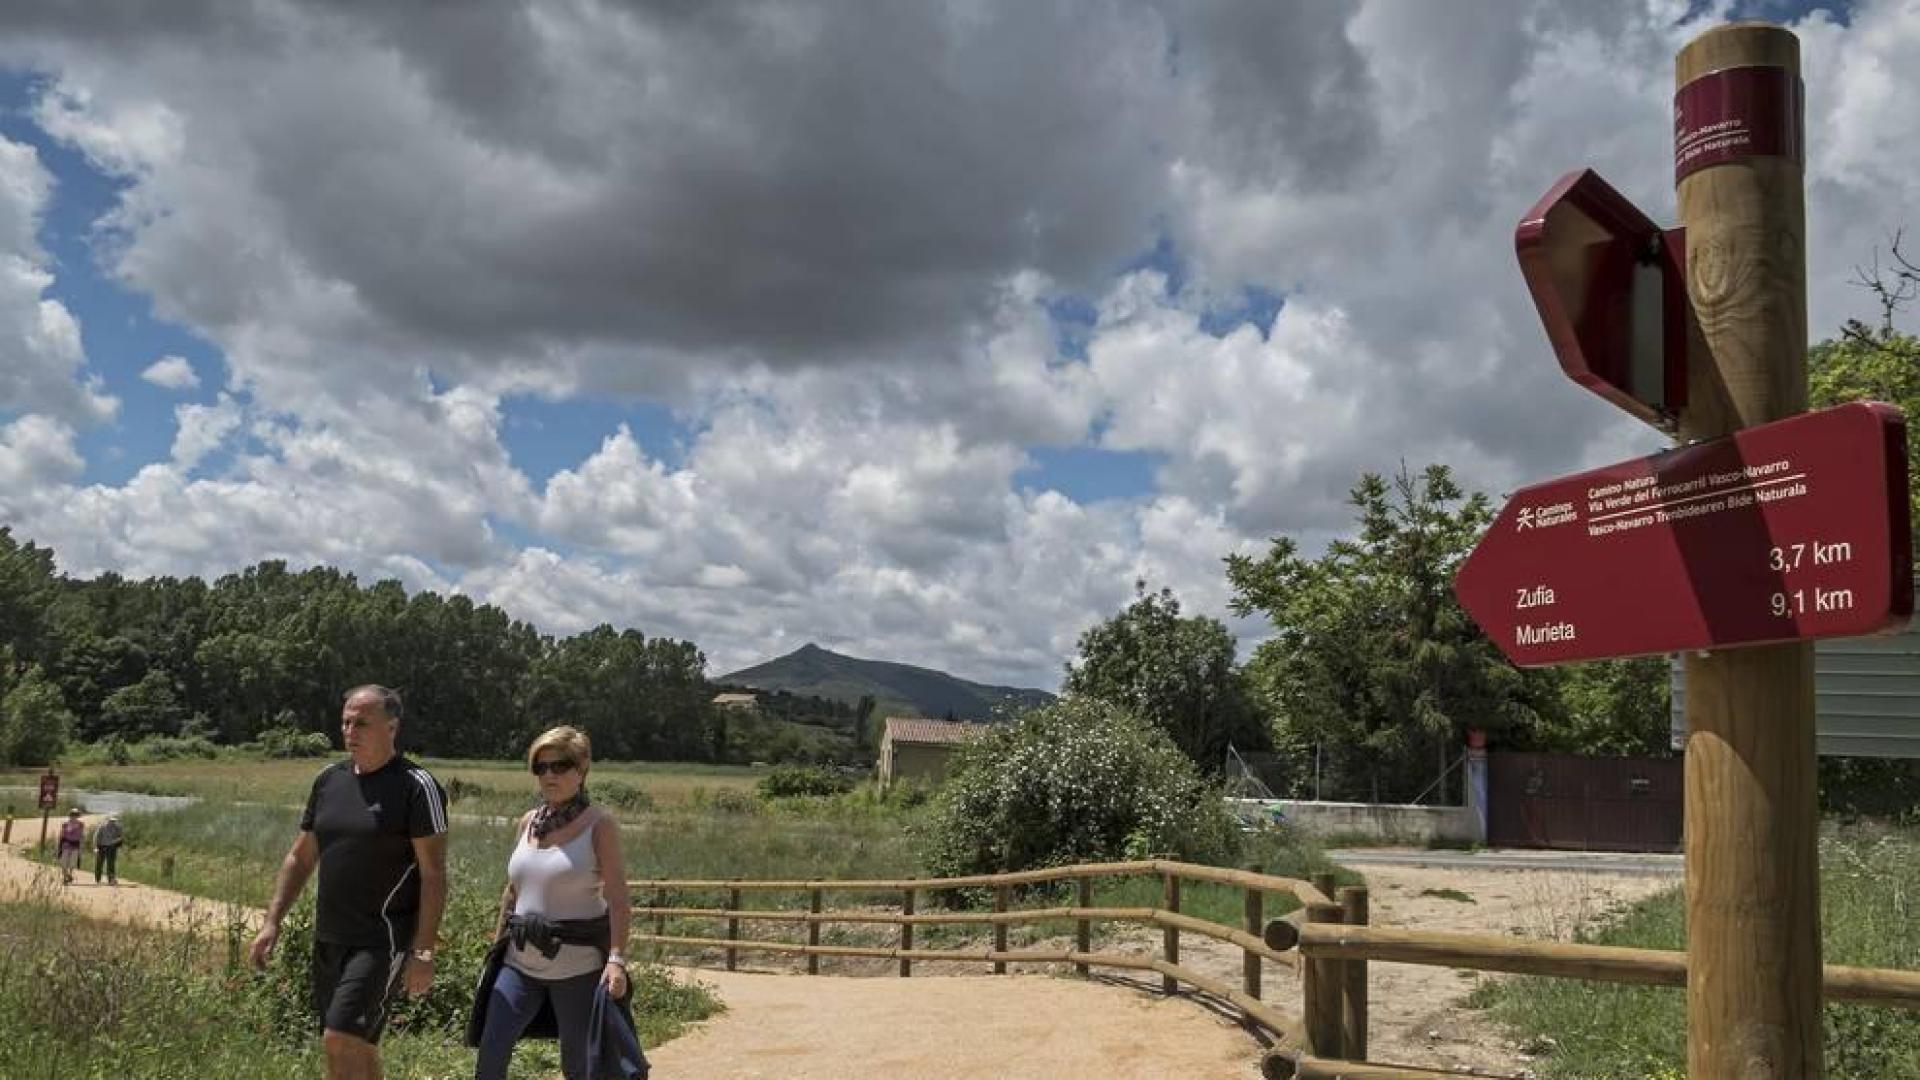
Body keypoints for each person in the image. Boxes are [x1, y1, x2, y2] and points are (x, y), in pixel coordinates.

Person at [248, 685, 449, 1080]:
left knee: (339, 1037)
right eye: (345, 722)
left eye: (361, 723)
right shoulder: (329, 780)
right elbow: (301, 856)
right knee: (357, 1046)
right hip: (330, 937)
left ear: (391, 727)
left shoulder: (416, 786)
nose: (350, 731)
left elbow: (434, 874)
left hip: (382, 939)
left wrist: (423, 952)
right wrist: (272, 921)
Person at [469, 725, 647, 1080]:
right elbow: (513, 891)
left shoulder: (599, 825)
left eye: (560, 766)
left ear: (581, 770)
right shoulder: (528, 823)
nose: (549, 775)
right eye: (541, 767)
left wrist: (616, 959)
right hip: (519, 963)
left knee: (579, 1066)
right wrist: (496, 947)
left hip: (577, 969)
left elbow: (618, 897)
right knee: (491, 1051)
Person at [55, 808, 85, 885]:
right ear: (70, 815)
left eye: (76, 815)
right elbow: (61, 835)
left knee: (72, 863)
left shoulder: (81, 825)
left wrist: (81, 847)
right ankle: (66, 876)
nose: (74, 816)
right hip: (66, 845)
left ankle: (69, 875)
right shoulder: (65, 824)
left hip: (75, 845)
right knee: (63, 863)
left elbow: (81, 836)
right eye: (72, 815)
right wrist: (58, 846)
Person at [93, 813, 124, 885]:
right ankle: (98, 879)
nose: (112, 822)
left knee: (111, 864)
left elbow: (120, 837)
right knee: (99, 863)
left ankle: (111, 879)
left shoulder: (117, 828)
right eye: (111, 821)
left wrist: (115, 841)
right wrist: (95, 847)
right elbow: (96, 837)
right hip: (102, 847)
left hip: (112, 847)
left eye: (114, 821)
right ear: (107, 820)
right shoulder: (102, 827)